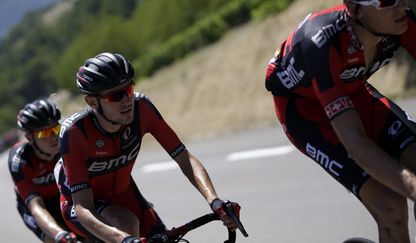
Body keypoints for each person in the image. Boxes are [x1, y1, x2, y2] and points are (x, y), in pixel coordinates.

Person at [265, 0, 416, 242]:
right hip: (306, 113)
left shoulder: (401, 20)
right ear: (355, 9)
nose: (401, 6)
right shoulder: (320, 41)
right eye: (386, 1)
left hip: (351, 90)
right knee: (391, 208)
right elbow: (355, 143)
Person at [54, 52, 241, 242]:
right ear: (92, 102)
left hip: (125, 195)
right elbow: (83, 207)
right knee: (125, 222)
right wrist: (123, 239)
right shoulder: (76, 133)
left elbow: (184, 157)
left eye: (128, 90)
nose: (127, 100)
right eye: (115, 96)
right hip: (83, 207)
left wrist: (214, 201)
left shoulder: (142, 108)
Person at [8, 99, 77, 243]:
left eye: (55, 129)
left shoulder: (68, 142)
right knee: (55, 239)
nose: (53, 136)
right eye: (44, 133)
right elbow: (36, 206)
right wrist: (60, 234)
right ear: (29, 137)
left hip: (64, 197)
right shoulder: (20, 160)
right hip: (39, 205)